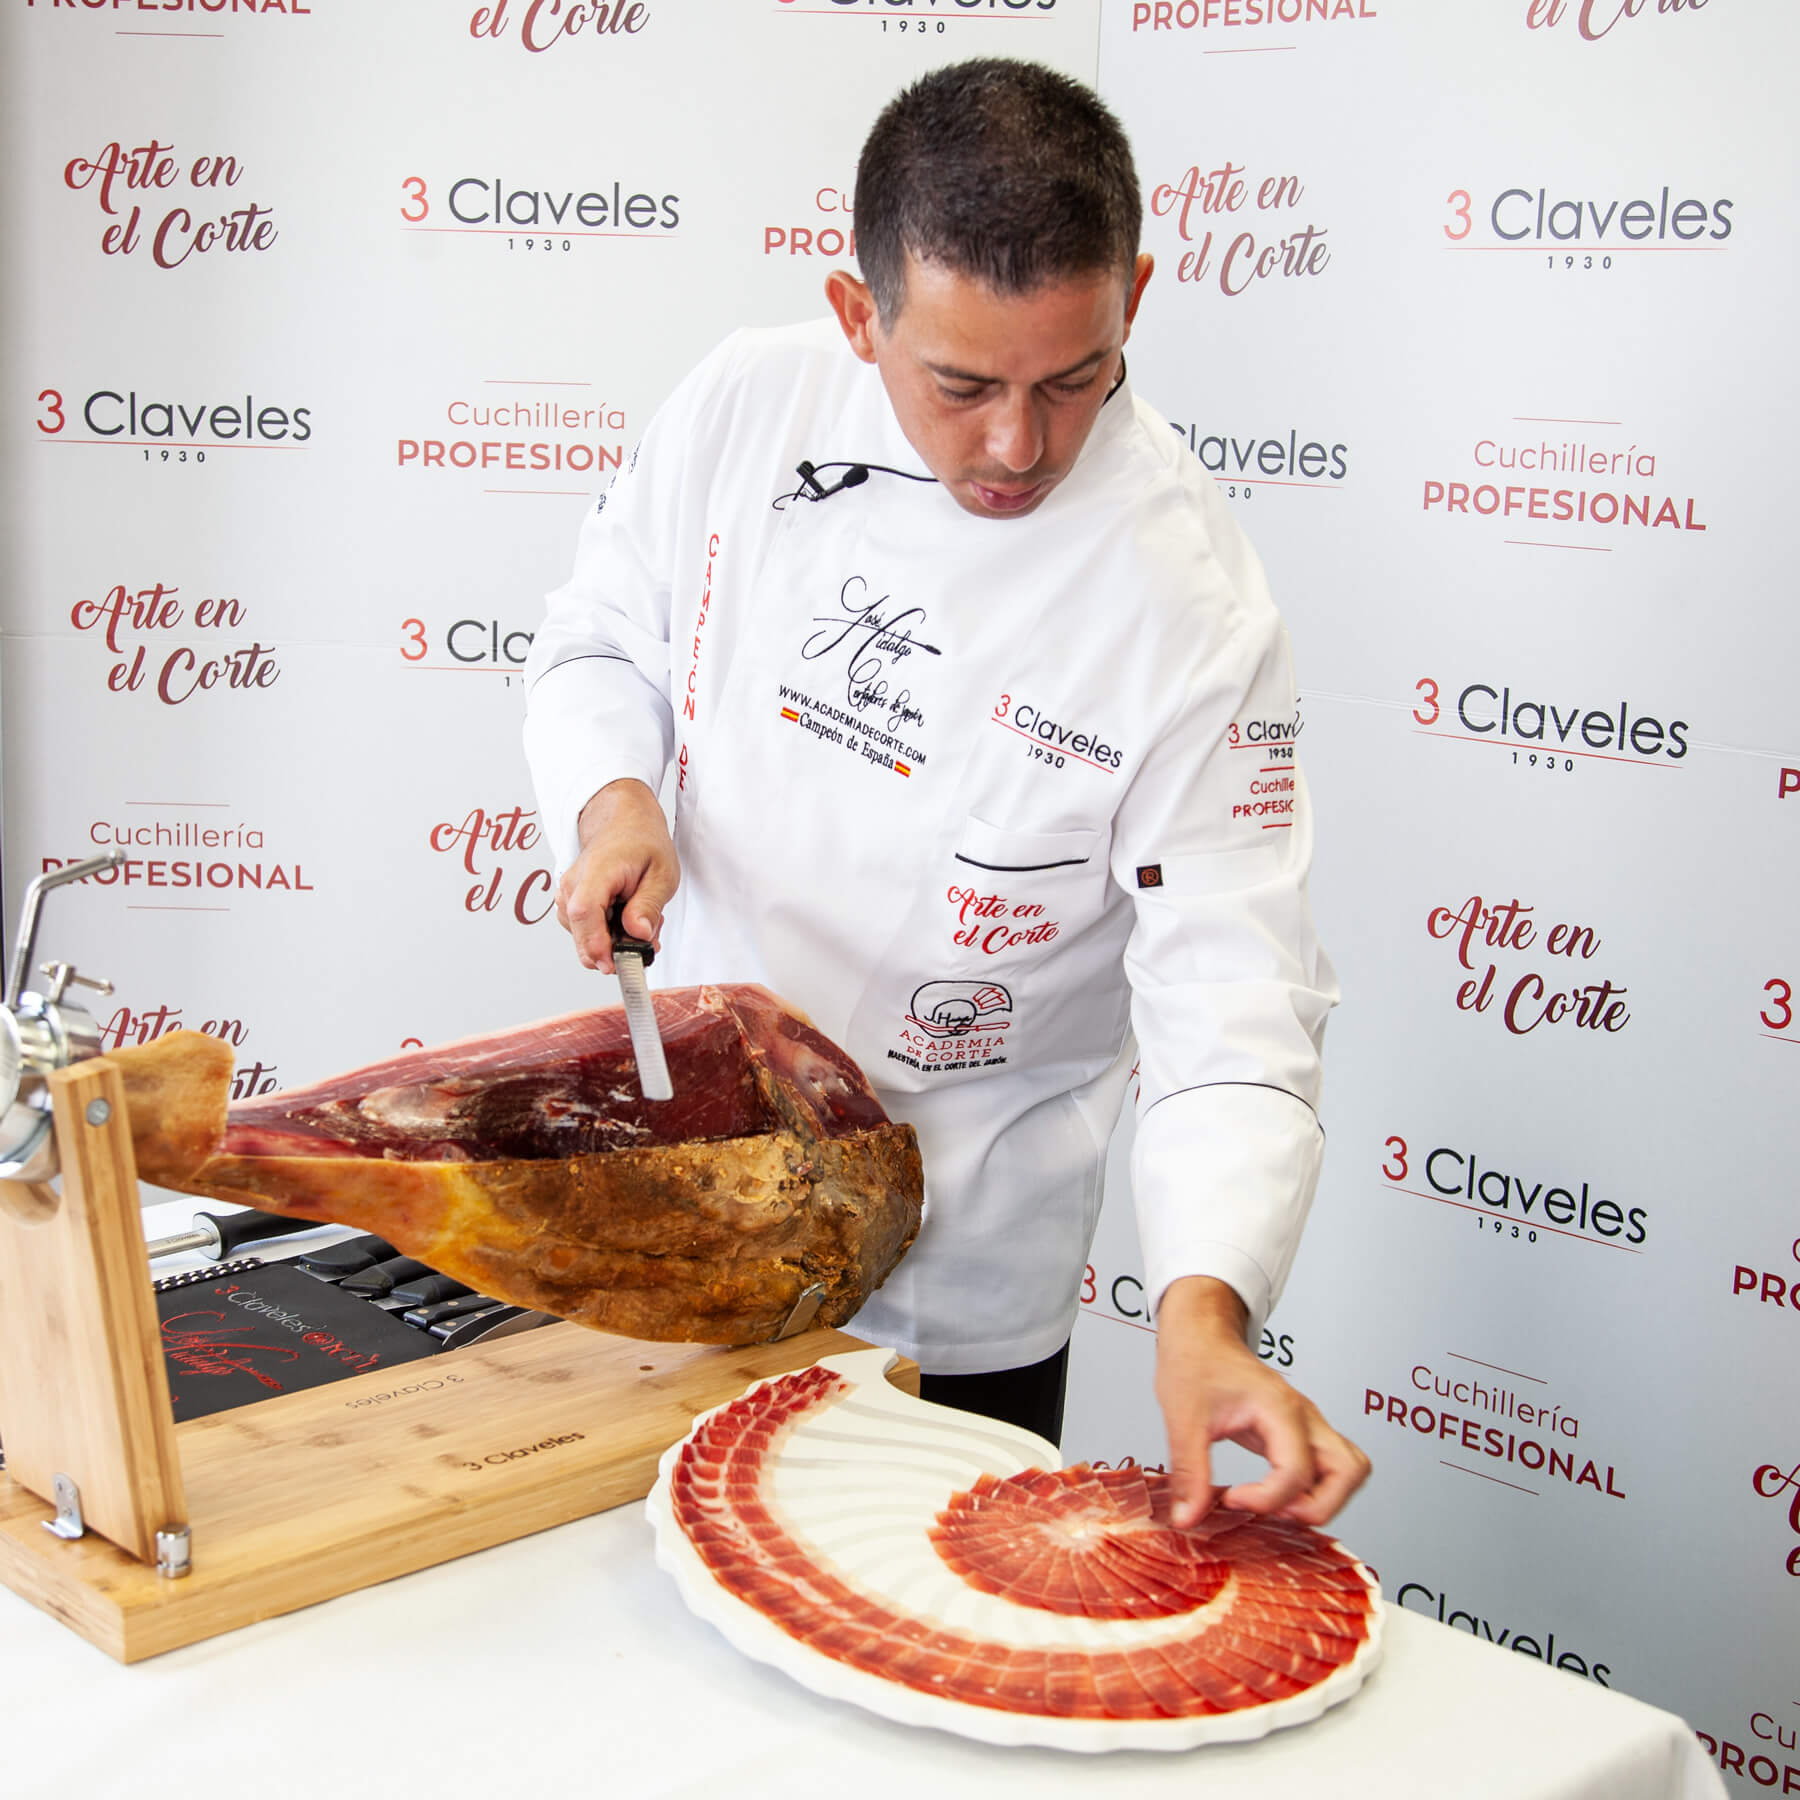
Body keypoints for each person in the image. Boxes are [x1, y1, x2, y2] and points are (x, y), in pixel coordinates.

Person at [524, 58, 1369, 1529]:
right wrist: (614, 801)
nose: (1017, 447)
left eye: (1074, 378)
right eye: (963, 384)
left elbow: (1232, 984)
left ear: (1136, 300)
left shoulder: (1192, 604)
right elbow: (601, 635)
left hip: (966, 1262)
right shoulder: (744, 404)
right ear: (859, 319)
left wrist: (1204, 1307)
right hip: (692, 1180)